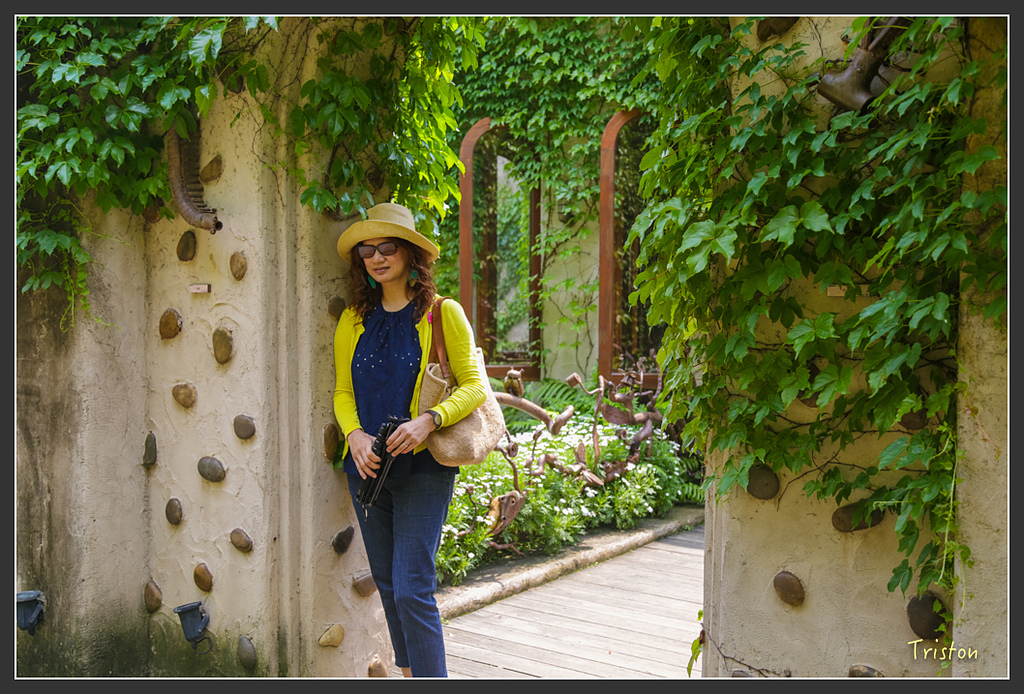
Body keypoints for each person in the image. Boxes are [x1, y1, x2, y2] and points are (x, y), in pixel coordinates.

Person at [332, 202, 486, 678]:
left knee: (413, 585)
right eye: (367, 251)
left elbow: (476, 386)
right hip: (368, 470)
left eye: (387, 248)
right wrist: (353, 435)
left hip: (422, 470)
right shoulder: (354, 319)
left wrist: (430, 421)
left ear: (410, 254)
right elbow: (341, 391)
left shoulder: (443, 313)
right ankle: (410, 674)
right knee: (387, 581)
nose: (376, 258)